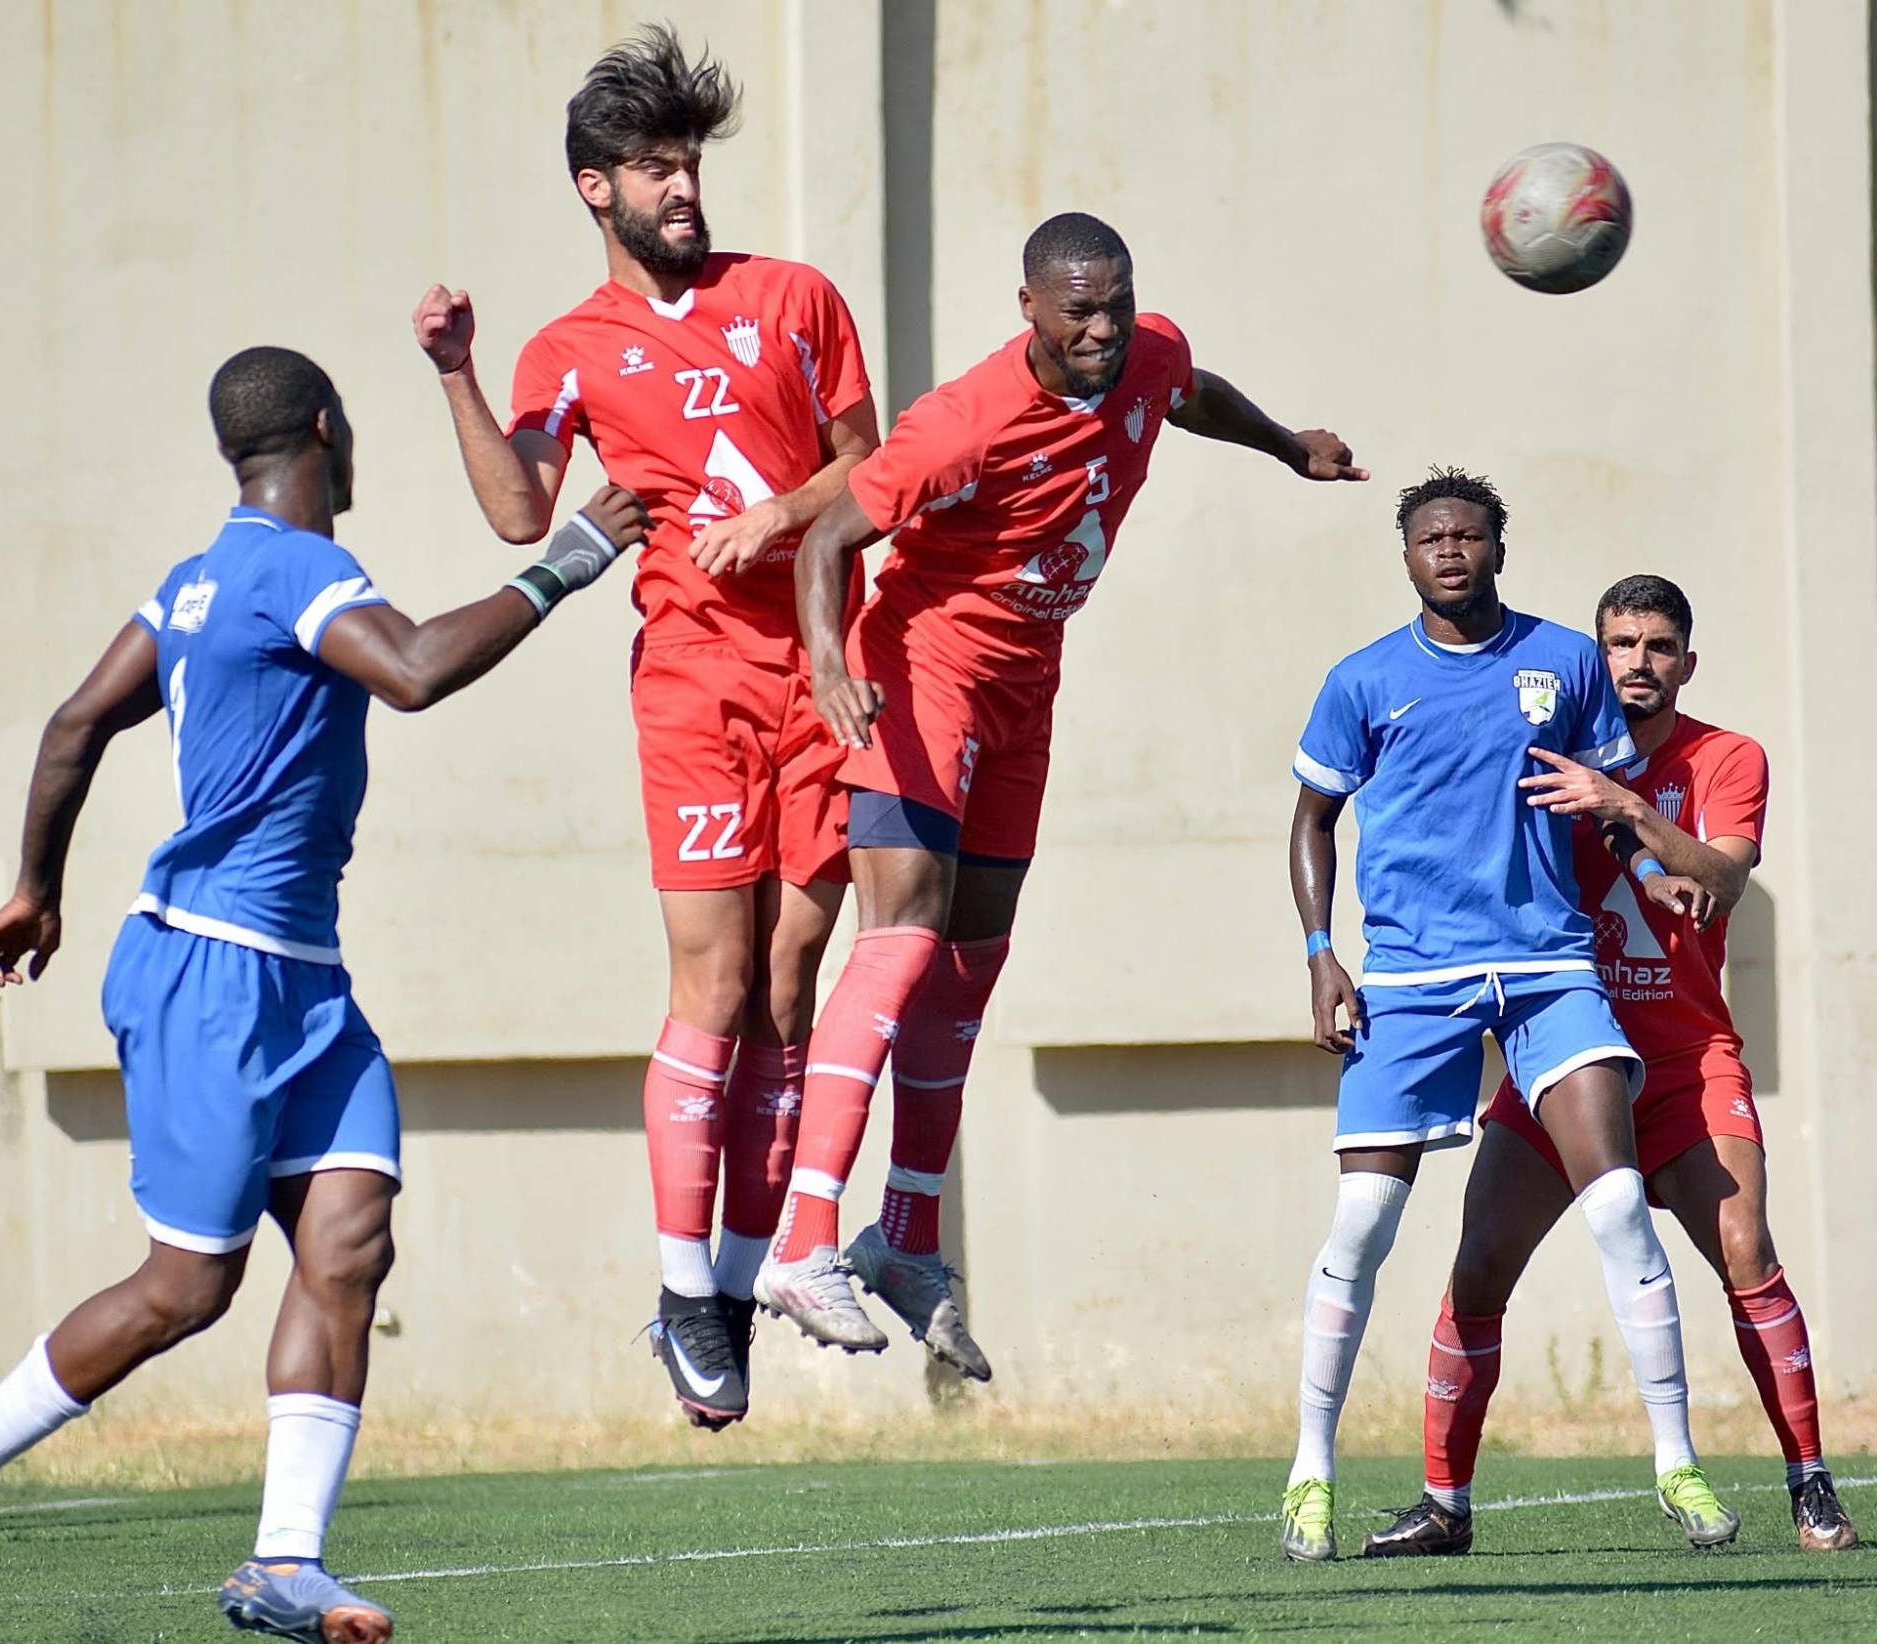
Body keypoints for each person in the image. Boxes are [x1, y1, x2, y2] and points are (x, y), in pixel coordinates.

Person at [0, 346, 646, 1638]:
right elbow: (412, 669)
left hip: (303, 981)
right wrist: (567, 559)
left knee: (349, 1242)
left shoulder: (194, 580)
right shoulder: (294, 567)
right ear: (325, 429)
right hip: (212, 972)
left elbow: (75, 723)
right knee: (187, 1290)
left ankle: (285, 1564)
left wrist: (36, 888)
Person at [755, 210, 1364, 1374]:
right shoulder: (962, 422)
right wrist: (829, 666)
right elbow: (828, 536)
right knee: (900, 936)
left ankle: (906, 1238)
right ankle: (803, 1240)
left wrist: (1287, 446)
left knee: (969, 962)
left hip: (1024, 687)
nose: (1102, 329)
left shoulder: (1148, 353)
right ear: (1027, 307)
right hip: (920, 676)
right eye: (1078, 310)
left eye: (1116, 305)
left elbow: (1190, 392)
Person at [412, 24, 877, 1431]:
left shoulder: (794, 297)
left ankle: (732, 1290)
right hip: (692, 680)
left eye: (689, 163)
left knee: (791, 985)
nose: (682, 187)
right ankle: (683, 1291)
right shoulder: (569, 347)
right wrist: (456, 371)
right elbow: (518, 511)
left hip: (826, 674)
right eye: (653, 167)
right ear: (594, 187)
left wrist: (777, 518)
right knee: (716, 984)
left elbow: (871, 470)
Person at [1278, 471, 1739, 1562]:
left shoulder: (1565, 662)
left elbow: (1605, 806)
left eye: (1468, 535)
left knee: (1617, 1204)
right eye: (1430, 537)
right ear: (1406, 556)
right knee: (1362, 1224)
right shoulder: (1360, 680)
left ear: (1497, 548)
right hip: (1410, 981)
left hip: (1545, 967)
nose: (1450, 550)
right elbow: (1311, 821)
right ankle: (1309, 1473)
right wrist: (1319, 955)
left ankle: (1677, 1463)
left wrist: (1649, 870)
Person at [1364, 573, 1859, 1556]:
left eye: (1657, 647)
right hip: (1566, 1057)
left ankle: (1810, 1484)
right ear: (1594, 659)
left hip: (1684, 1059)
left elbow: (1721, 877)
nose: (1638, 662)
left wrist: (1624, 805)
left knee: (1745, 1251)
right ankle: (1444, 1504)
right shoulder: (1542, 757)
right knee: (1478, 1265)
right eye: (1620, 645)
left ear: (1686, 662)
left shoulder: (1725, 756)